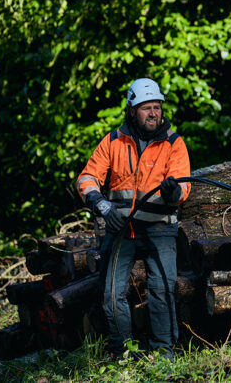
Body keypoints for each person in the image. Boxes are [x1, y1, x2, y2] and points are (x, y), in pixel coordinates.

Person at [76, 78, 191, 360]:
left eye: (157, 107)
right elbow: (87, 178)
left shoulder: (174, 143)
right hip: (121, 230)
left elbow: (185, 187)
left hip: (160, 229)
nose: (153, 113)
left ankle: (163, 353)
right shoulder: (113, 141)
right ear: (132, 110)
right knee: (111, 294)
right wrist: (102, 205)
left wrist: (174, 191)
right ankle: (122, 351)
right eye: (146, 108)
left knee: (162, 289)